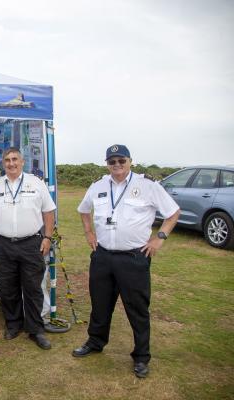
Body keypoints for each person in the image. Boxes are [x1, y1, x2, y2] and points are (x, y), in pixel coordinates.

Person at [73, 144, 180, 378]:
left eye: (121, 160)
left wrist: (159, 238)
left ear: (130, 161)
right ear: (107, 164)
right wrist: (89, 233)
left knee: (137, 309)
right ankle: (95, 342)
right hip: (102, 257)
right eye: (112, 162)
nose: (117, 165)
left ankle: (141, 356)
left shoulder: (148, 186)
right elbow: (83, 210)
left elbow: (173, 213)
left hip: (134, 258)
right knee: (100, 304)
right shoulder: (98, 186)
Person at [0, 147, 56, 349]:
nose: (11, 163)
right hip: (3, 244)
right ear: (3, 163)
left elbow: (49, 212)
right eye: (7, 160)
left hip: (31, 243)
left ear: (22, 162)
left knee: (33, 289)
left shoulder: (36, 183)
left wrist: (47, 237)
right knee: (8, 287)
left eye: (15, 159)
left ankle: (35, 330)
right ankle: (13, 325)